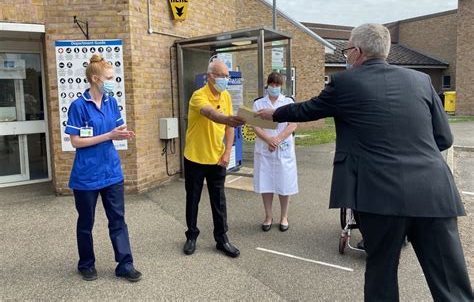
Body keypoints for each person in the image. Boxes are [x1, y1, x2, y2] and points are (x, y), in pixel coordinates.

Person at [256, 24, 473, 301]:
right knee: (452, 286)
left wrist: (272, 114)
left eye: (347, 50)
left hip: (379, 197)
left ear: (357, 52)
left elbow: (306, 109)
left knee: (382, 275)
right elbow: (443, 138)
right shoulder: (421, 81)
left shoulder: (345, 83)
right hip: (435, 194)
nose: (346, 56)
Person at [65, 54, 142, 282]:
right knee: (86, 222)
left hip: (111, 172)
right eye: (109, 77)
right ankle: (86, 264)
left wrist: (123, 132)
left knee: (118, 220)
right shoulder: (78, 106)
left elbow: (118, 127)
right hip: (86, 175)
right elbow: (76, 141)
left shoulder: (111, 102)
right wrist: (108, 135)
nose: (113, 80)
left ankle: (125, 264)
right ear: (95, 78)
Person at [183, 58, 245, 258]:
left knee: (218, 200)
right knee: (193, 199)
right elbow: (210, 114)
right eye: (222, 75)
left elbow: (228, 128)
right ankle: (191, 235)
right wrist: (228, 119)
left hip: (217, 158)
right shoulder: (198, 96)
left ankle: (222, 238)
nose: (225, 79)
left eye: (227, 76)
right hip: (195, 157)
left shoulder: (225, 96)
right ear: (210, 76)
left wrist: (227, 152)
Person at [252, 72, 298, 232]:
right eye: (271, 85)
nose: (274, 88)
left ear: (281, 86)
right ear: (267, 85)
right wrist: (268, 140)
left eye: (277, 85)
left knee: (284, 183)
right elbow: (255, 126)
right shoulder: (258, 103)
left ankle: (284, 216)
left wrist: (277, 139)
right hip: (265, 147)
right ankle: (268, 216)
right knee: (266, 183)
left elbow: (293, 125)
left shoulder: (288, 102)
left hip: (282, 146)